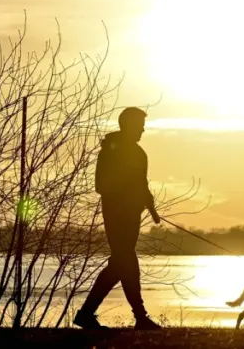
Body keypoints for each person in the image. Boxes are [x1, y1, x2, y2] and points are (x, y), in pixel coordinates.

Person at [74, 107, 162, 330]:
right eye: (140, 125)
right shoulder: (110, 151)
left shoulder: (140, 153)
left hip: (132, 216)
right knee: (126, 262)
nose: (143, 129)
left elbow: (142, 184)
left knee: (121, 265)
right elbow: (101, 185)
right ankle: (139, 316)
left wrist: (150, 206)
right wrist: (129, 193)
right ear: (128, 125)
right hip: (116, 215)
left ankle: (88, 314)